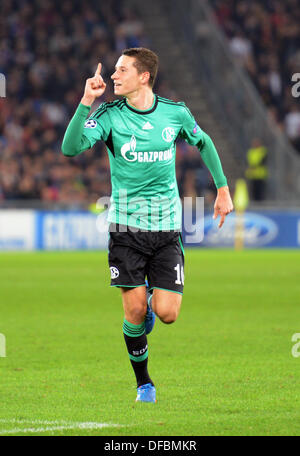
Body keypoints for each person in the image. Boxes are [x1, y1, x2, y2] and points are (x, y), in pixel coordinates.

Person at [62, 47, 233, 403]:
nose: (113, 76)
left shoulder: (175, 113)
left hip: (167, 229)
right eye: (114, 70)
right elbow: (70, 147)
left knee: (166, 314)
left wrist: (222, 188)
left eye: (121, 70)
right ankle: (144, 384)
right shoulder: (108, 116)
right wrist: (85, 103)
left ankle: (154, 301)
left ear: (144, 77)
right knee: (134, 311)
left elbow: (204, 141)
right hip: (125, 229)